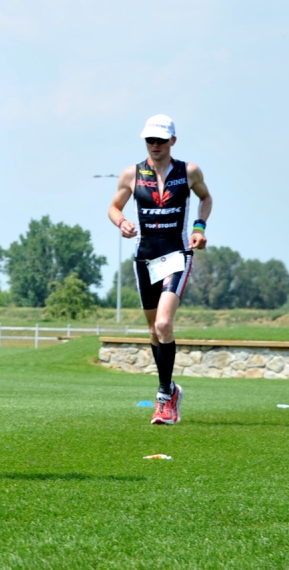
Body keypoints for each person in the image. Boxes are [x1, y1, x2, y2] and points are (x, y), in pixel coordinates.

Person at [108, 115, 212, 425]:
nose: (154, 145)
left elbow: (205, 198)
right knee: (154, 331)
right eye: (149, 140)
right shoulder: (132, 174)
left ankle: (164, 400)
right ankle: (169, 388)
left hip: (177, 254)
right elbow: (114, 207)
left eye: (160, 140)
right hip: (145, 258)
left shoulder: (188, 171)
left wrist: (199, 227)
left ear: (172, 142)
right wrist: (122, 222)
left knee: (165, 323)